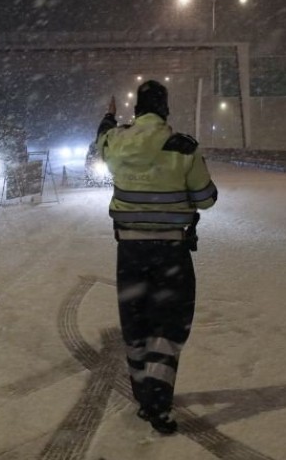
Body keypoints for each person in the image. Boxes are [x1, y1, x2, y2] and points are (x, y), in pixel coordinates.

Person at [94, 80, 218, 434]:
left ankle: (142, 396)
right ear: (165, 109)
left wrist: (108, 116)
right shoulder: (183, 147)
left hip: (129, 251)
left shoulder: (117, 141)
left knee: (135, 323)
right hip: (171, 253)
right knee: (169, 323)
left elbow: (101, 140)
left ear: (137, 110)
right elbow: (206, 199)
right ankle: (159, 404)